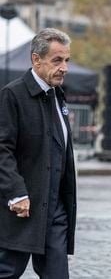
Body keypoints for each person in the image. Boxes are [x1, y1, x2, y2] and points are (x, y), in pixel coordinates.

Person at [0, 28, 77, 278]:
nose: (64, 67)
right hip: (22, 207)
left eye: (66, 60)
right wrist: (16, 193)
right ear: (36, 60)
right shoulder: (13, 95)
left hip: (56, 210)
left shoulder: (58, 95)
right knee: (8, 271)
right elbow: (2, 149)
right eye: (57, 60)